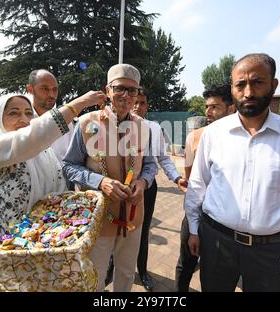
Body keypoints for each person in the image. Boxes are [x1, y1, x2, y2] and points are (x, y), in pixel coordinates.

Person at [185, 53, 280, 292]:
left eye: (257, 82)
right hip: (216, 243)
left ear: (273, 84)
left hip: (274, 252)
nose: (248, 92)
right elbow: (198, 186)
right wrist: (194, 229)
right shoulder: (214, 134)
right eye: (240, 84)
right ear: (232, 88)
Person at [0, 91, 106, 292]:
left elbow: (57, 195)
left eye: (29, 113)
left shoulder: (44, 154)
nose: (23, 119)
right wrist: (78, 104)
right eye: (14, 113)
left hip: (32, 253)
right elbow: (31, 138)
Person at [63, 63, 157, 292]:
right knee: (95, 272)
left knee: (125, 272)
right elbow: (68, 166)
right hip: (98, 216)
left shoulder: (144, 128)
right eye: (120, 88)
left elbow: (151, 165)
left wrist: (142, 182)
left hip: (134, 214)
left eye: (132, 90)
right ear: (108, 90)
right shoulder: (86, 123)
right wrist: (100, 182)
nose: (126, 95)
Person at [176, 84, 235, 292]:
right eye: (207, 107)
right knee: (186, 263)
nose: (208, 112)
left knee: (216, 270)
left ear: (231, 108)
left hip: (224, 222)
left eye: (215, 107)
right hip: (196, 212)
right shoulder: (195, 137)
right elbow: (191, 178)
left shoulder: (243, 140)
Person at [130, 89, 188, 290]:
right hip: (119, 189)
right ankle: (112, 265)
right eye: (135, 101)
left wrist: (177, 177)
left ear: (147, 105)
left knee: (143, 231)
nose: (138, 106)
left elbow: (163, 158)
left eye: (143, 102)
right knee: (116, 229)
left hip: (147, 188)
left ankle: (143, 271)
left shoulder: (154, 129)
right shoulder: (114, 125)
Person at [27, 69, 75, 161]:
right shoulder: (22, 122)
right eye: (45, 89)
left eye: (55, 89)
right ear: (30, 89)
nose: (51, 95)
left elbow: (73, 161)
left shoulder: (67, 122)